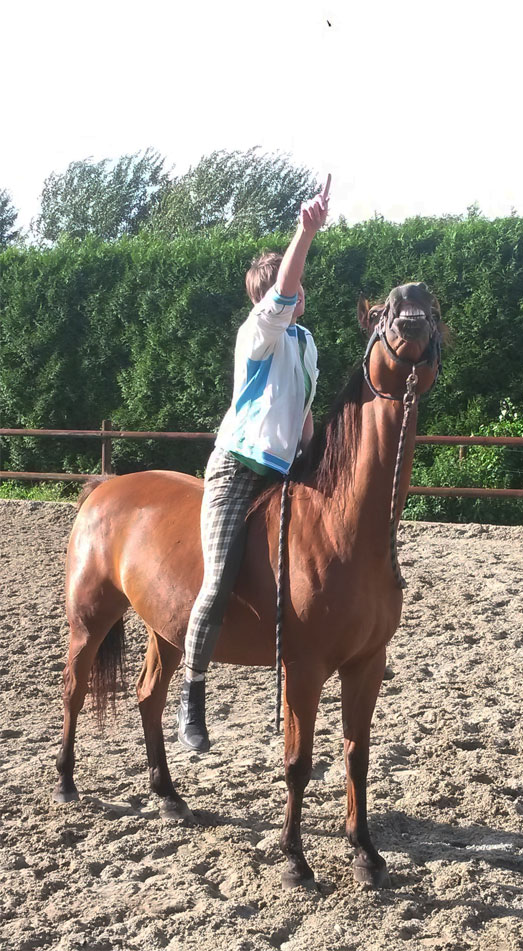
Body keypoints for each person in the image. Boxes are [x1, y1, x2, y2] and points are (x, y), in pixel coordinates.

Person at [177, 175, 331, 751]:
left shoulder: (305, 343)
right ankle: (192, 695)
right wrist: (305, 230)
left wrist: (314, 464)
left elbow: (306, 414)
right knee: (216, 583)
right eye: (290, 289)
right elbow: (286, 291)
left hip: (287, 475)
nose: (300, 294)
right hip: (238, 470)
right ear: (269, 297)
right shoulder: (260, 333)